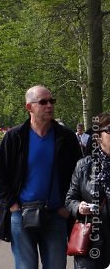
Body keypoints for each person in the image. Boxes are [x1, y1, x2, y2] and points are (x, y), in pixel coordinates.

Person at [0, 85, 82, 269]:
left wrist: (67, 207)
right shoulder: (15, 137)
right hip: (22, 215)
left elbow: (79, 175)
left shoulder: (66, 137)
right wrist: (13, 205)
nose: (49, 105)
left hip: (56, 215)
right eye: (43, 102)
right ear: (29, 107)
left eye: (52, 101)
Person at [65, 112, 110, 269]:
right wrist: (79, 207)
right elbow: (70, 199)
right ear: (98, 137)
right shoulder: (84, 166)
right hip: (92, 242)